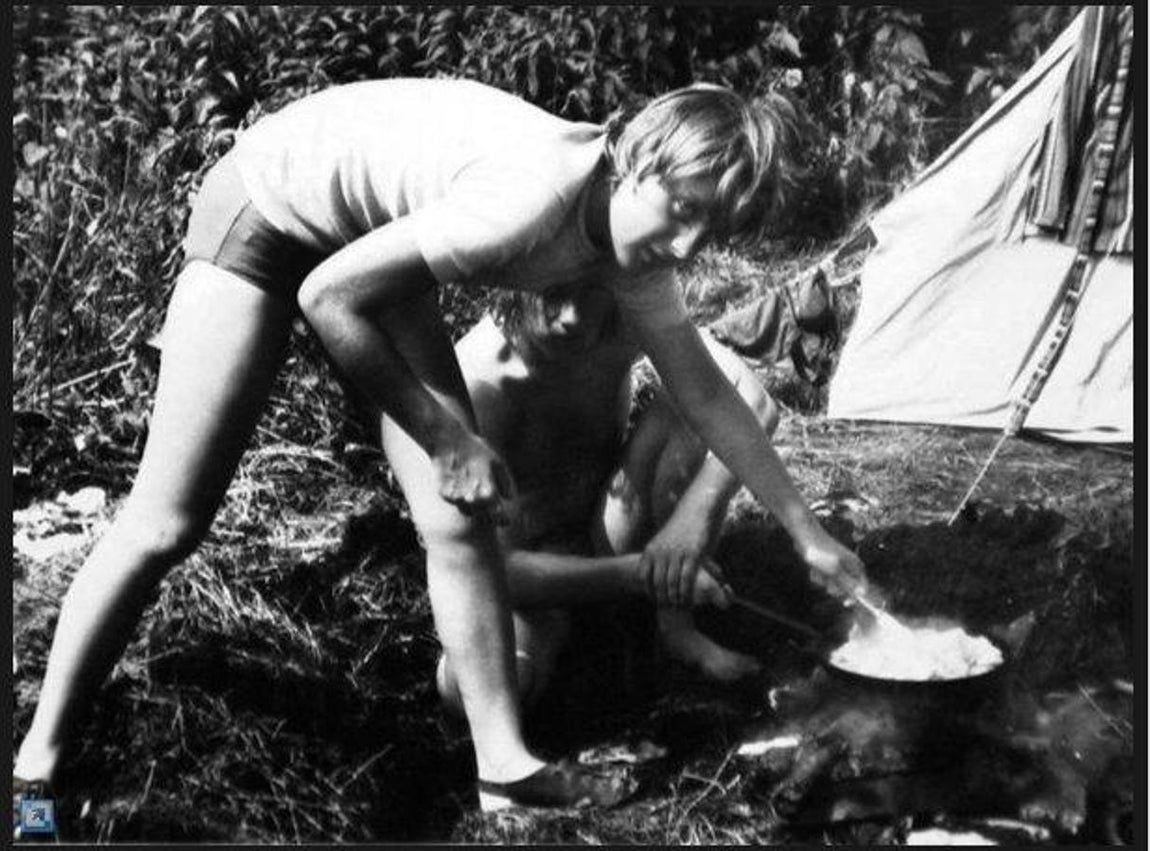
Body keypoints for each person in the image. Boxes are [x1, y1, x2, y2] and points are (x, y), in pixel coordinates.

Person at [13, 78, 871, 824]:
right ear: (637, 159)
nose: (685, 246)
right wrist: (447, 435)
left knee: (454, 517)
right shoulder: (532, 198)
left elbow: (711, 394)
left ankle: (505, 769)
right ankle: (35, 765)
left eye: (709, 230)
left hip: (371, 245)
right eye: (682, 211)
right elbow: (329, 294)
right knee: (168, 521)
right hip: (270, 215)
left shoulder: (633, 254)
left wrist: (804, 531)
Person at [384, 282, 781, 723]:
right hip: (537, 576)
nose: (573, 317)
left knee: (690, 401)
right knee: (476, 688)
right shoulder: (476, 384)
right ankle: (595, 636)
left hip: (612, 526)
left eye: (588, 293)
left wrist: (693, 519)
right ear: (511, 286)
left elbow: (756, 401)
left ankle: (676, 630)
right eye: (553, 296)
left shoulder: (619, 323)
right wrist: (635, 576)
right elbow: (497, 572)